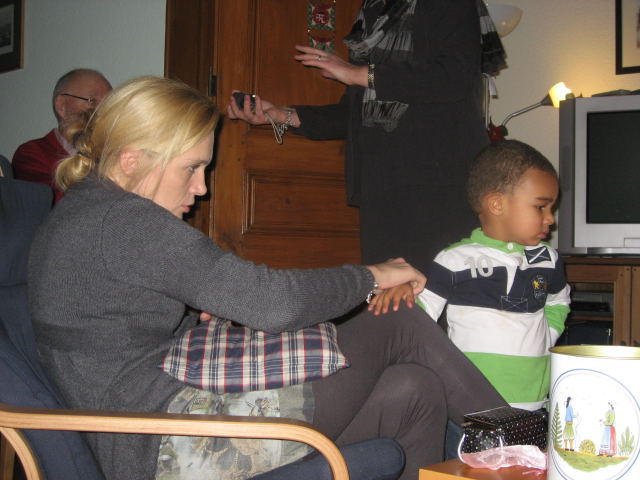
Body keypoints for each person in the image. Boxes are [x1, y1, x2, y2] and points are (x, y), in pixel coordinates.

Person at [28, 75, 507, 480]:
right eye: (191, 168)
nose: (201, 188)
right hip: (172, 444)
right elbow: (274, 303)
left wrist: (198, 314)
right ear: (133, 160)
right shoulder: (124, 220)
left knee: (414, 390)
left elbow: (117, 328)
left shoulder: (91, 212)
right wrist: (373, 274)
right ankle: (528, 445)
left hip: (165, 427)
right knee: (396, 322)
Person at [228, 0, 506, 274]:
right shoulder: (374, 11)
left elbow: (454, 76)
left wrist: (362, 74)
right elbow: (353, 113)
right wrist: (280, 115)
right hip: (383, 188)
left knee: (442, 292)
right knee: (393, 295)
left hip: (441, 184)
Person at [371, 140, 571, 412]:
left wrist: (548, 336)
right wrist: (405, 292)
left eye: (551, 209)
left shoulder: (548, 260)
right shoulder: (455, 260)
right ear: (497, 204)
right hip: (467, 405)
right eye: (541, 207)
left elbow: (558, 301)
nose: (550, 219)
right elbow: (420, 316)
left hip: (532, 402)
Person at [12, 68, 112, 203]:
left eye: (109, 104)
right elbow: (54, 203)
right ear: (62, 106)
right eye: (92, 100)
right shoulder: (32, 154)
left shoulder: (115, 155)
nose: (103, 111)